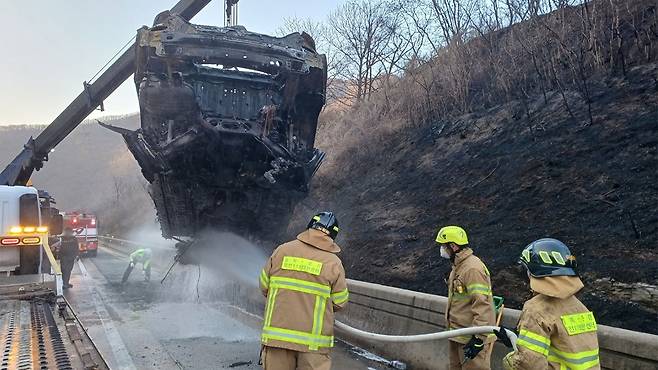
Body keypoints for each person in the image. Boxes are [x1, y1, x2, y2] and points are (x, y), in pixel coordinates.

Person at [259, 212, 349, 370]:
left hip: (277, 339)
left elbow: (264, 285)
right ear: (333, 235)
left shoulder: (282, 251)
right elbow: (340, 301)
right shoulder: (334, 263)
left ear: (310, 227)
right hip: (313, 345)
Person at [495, 238, 600, 370]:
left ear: (534, 272)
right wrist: (518, 337)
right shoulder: (579, 307)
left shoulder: (536, 309)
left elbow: (530, 364)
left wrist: (512, 362)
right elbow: (564, 344)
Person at [437, 225, 495, 370]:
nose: (442, 250)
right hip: (457, 335)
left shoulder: (472, 269)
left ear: (453, 246)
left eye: (444, 246)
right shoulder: (458, 267)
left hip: (471, 338)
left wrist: (479, 338)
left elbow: (482, 304)